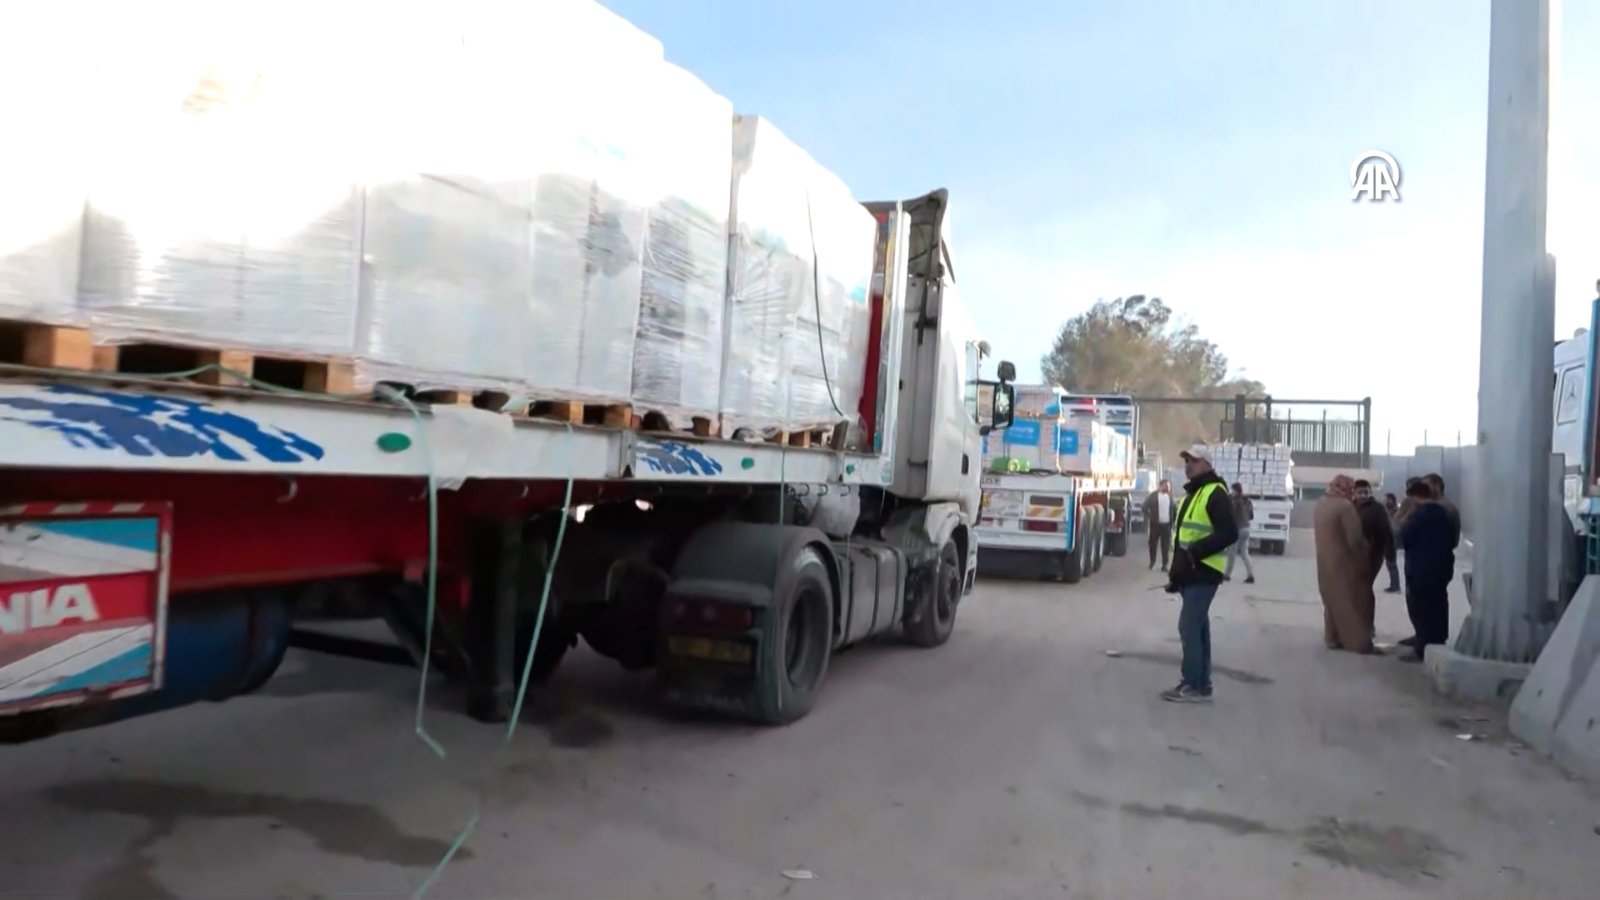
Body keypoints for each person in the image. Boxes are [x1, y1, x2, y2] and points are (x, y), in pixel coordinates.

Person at [1160, 445, 1239, 704]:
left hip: (1204, 572)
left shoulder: (1215, 493)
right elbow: (1181, 537)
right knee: (1199, 627)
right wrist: (1176, 574)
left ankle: (1192, 683)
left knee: (1189, 625)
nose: (1187, 465)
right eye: (1185, 461)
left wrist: (1196, 553)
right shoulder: (1193, 493)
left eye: (1193, 461)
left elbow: (1229, 533)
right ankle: (1202, 684)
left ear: (1206, 464)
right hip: (1191, 573)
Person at [1313, 474, 1374, 653]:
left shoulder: (1321, 503)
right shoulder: (1345, 507)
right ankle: (1357, 644)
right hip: (1343, 562)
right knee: (1348, 603)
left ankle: (1332, 638)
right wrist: (1365, 555)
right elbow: (1354, 539)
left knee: (1331, 602)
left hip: (1324, 562)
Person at [1397, 478, 1457, 662]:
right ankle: (1437, 640)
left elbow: (1402, 538)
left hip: (1421, 569)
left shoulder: (1418, 515)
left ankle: (1422, 648)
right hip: (1442, 568)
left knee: (1422, 608)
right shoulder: (1445, 513)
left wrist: (1404, 517)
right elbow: (1453, 539)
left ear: (1414, 497)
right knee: (1438, 605)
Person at [1351, 479, 1395, 640]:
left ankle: (1368, 626)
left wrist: (1390, 556)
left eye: (1366, 492)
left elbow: (1387, 533)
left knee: (1364, 589)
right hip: (1354, 556)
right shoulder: (1350, 508)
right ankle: (1357, 624)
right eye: (1360, 492)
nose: (1363, 495)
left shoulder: (1377, 509)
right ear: (1354, 493)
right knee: (1355, 591)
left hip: (1373, 555)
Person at [1223, 482, 1256, 584]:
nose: (1231, 492)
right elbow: (1251, 516)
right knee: (1244, 553)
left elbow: (1230, 515)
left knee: (1231, 553)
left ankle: (1227, 575)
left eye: (1232, 490)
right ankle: (1250, 575)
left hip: (1238, 530)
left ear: (1236, 491)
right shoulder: (1247, 501)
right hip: (1246, 529)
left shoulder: (1235, 502)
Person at [1142, 479, 1174, 571]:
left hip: (1166, 525)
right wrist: (1150, 516)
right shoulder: (1153, 496)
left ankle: (1165, 565)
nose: (1168, 488)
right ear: (1161, 486)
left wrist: (1174, 521)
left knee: (1166, 546)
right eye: (1166, 486)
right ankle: (1152, 562)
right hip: (1155, 524)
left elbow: (1173, 510)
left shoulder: (1169, 497)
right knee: (1153, 544)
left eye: (1169, 486)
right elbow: (1144, 507)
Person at [1381, 492, 1402, 593]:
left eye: (1387, 499)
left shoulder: (1396, 511)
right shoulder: (1386, 510)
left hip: (1393, 538)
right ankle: (1394, 584)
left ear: (1392, 500)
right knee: (1390, 563)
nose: (1385, 501)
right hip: (1388, 538)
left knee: (1391, 562)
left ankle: (1395, 585)